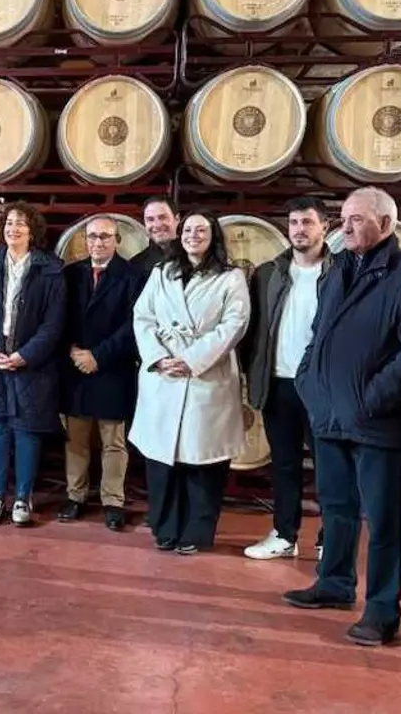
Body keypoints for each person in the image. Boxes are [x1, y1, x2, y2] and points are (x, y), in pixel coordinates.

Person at [284, 187, 401, 647]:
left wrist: (368, 399)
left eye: (356, 219)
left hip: (377, 422)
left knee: (385, 519)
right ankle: (334, 583)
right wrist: (307, 382)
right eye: (343, 218)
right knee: (335, 507)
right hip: (330, 416)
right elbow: (318, 335)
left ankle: (382, 610)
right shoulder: (338, 272)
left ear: (386, 225)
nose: (344, 227)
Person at [130, 209, 249, 554]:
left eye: (201, 230)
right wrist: (157, 357)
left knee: (203, 462)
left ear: (214, 235)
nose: (193, 235)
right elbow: (142, 316)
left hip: (204, 376)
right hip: (163, 376)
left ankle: (196, 533)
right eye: (188, 230)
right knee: (162, 460)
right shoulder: (161, 272)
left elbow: (234, 325)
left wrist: (192, 359)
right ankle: (165, 528)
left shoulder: (230, 277)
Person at [0, 202, 65, 527]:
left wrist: (26, 355)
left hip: (31, 366)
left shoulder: (50, 268)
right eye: (9, 223)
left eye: (21, 223)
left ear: (32, 230)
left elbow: (54, 323)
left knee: (27, 430)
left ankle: (22, 497)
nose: (14, 229)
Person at [241, 196, 331, 560]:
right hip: (279, 382)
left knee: (330, 465)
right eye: (294, 222)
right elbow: (253, 331)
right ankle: (284, 533)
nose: (299, 229)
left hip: (322, 385)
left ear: (325, 226)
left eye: (307, 222)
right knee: (284, 463)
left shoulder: (339, 272)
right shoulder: (268, 272)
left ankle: (330, 537)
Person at [57, 214, 142, 532]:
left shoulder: (133, 276)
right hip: (75, 367)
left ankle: (112, 502)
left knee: (113, 441)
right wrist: (72, 351)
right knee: (76, 439)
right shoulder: (69, 274)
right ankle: (75, 496)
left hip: (113, 369)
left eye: (105, 236)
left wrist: (99, 356)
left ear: (117, 240)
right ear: (84, 240)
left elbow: (134, 326)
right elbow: (57, 318)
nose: (98, 242)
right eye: (92, 236)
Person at [132, 196, 180, 278]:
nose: (157, 225)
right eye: (150, 219)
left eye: (162, 217)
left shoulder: (195, 256)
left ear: (177, 219)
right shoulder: (135, 265)